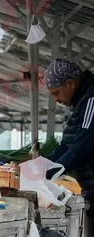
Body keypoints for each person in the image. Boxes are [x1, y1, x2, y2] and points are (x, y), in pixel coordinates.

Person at [43, 58, 94, 195]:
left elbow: (82, 148)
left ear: (70, 83)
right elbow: (66, 146)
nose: (56, 99)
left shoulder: (91, 100)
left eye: (56, 93)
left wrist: (48, 172)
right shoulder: (80, 102)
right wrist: (40, 165)